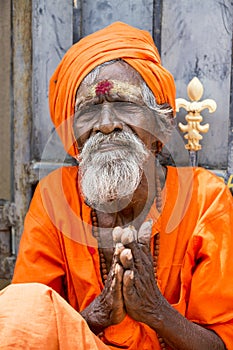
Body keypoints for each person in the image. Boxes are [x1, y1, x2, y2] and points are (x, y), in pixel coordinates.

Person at [0, 22, 232, 350]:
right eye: (89, 111)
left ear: (160, 126)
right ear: (75, 138)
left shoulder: (207, 200)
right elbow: (27, 324)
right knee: (19, 305)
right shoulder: (55, 198)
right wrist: (98, 314)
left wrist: (155, 311)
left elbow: (222, 344)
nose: (106, 124)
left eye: (125, 105)